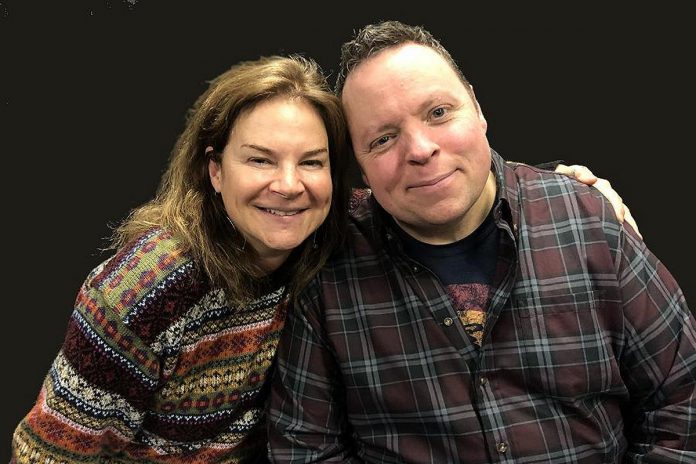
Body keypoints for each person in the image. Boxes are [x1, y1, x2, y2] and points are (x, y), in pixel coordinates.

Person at [268, 21, 695, 463]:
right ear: (358, 166)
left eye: (438, 113)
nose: (420, 149)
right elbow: (305, 449)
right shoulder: (327, 264)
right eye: (383, 138)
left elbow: (683, 399)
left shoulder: (587, 223)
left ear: (477, 107)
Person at [11, 54, 350, 463]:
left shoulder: (327, 248)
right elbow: (45, 455)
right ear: (216, 172)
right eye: (260, 160)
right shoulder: (145, 291)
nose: (290, 185)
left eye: (312, 162)